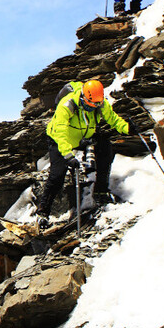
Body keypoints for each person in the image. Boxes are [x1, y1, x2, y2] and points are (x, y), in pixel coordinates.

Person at [34, 79, 130, 229]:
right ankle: (43, 212)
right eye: (89, 105)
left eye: (95, 106)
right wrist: (68, 156)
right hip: (59, 139)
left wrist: (128, 128)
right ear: (83, 97)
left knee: (105, 147)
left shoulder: (99, 102)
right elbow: (60, 131)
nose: (92, 108)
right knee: (57, 175)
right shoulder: (68, 104)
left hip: (82, 137)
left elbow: (113, 119)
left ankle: (101, 191)